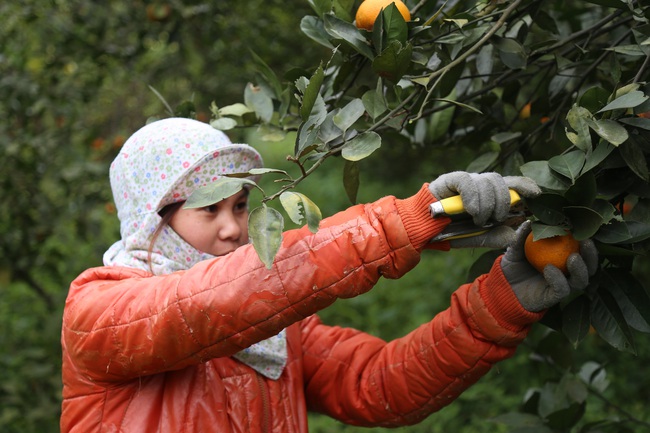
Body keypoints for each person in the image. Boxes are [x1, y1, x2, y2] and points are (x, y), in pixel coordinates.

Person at [60, 117, 598, 432]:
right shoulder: (99, 312)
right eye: (209, 210)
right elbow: (211, 303)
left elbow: (380, 383)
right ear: (150, 219)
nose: (232, 229)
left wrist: (499, 305)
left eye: (242, 205)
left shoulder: (276, 334)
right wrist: (400, 225)